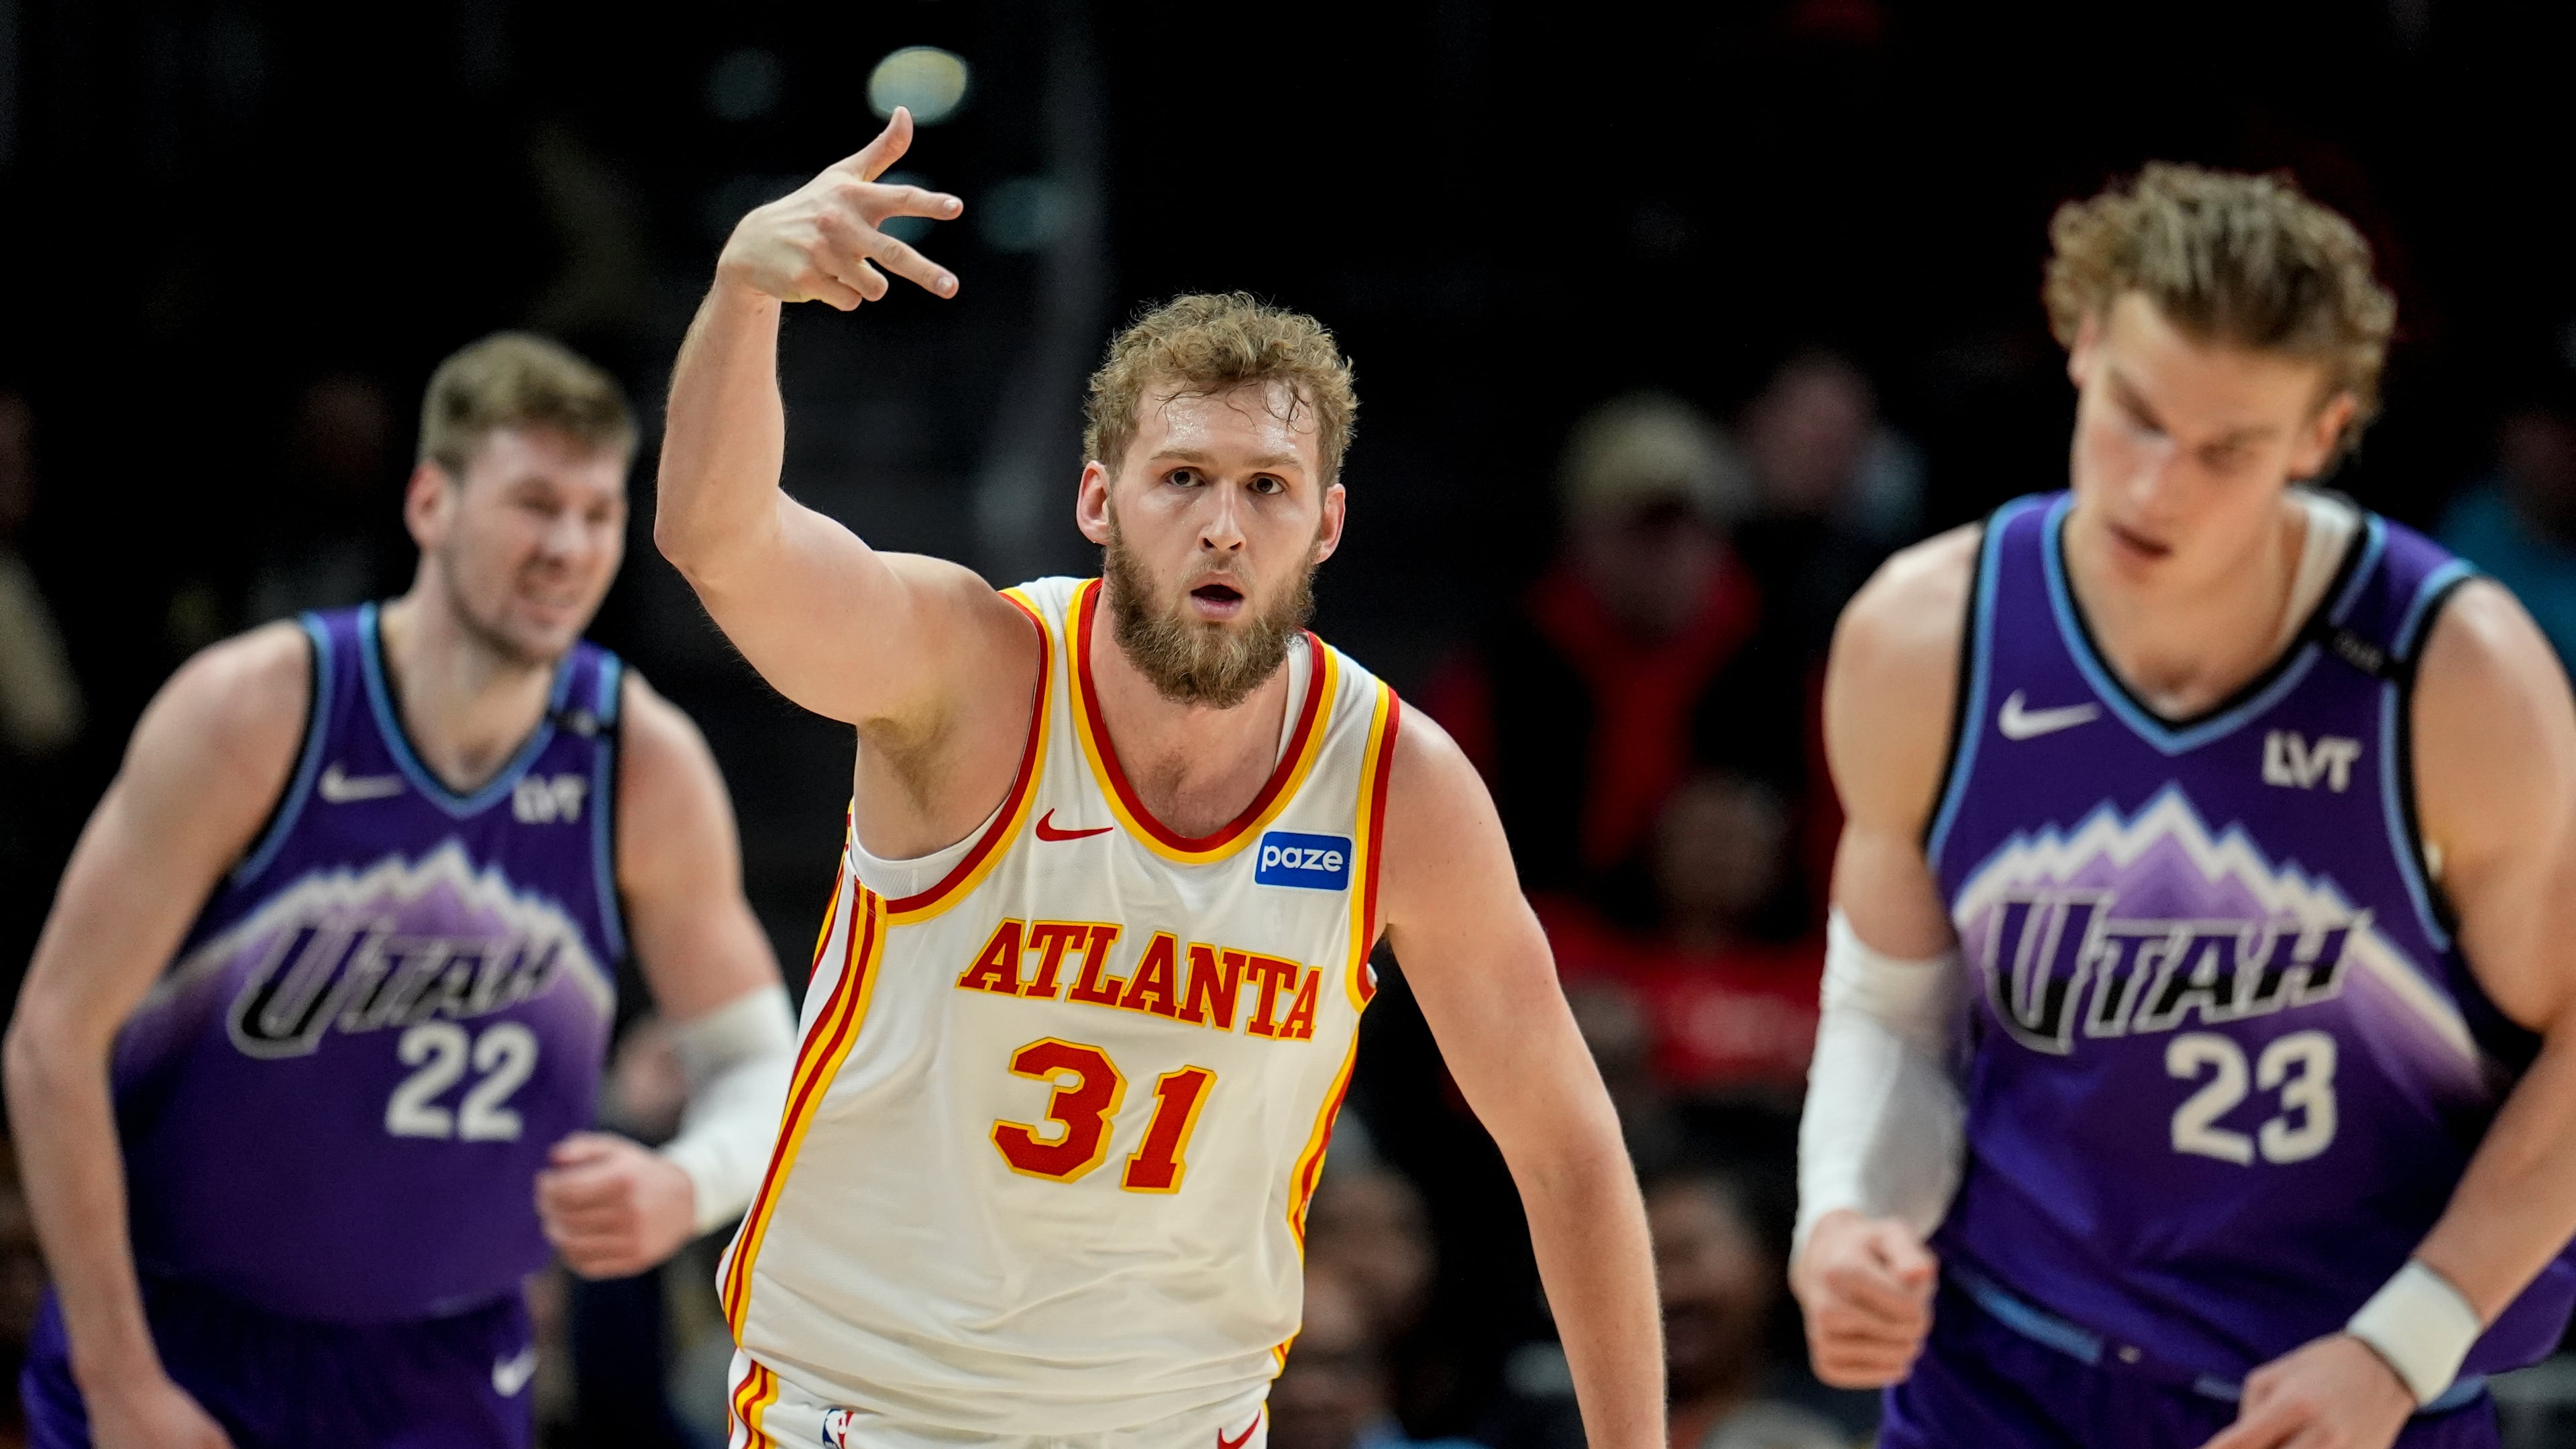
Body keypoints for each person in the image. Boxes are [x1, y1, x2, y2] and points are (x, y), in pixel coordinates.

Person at [654, 109, 1662, 1449]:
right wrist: (742, 293)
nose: (1223, 524)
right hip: (877, 1405)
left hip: (1184, 1424)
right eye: (1181, 477)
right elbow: (717, 540)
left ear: (1328, 523)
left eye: (1268, 486)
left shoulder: (1395, 783)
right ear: (1097, 500)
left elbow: (1568, 1146)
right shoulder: (970, 668)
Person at [1792, 160, 2576, 1449]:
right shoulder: (1928, 636)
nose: (2158, 484)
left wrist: (2403, 1346)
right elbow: (1892, 1005)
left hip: (2336, 1392)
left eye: (2227, 451)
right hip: (2003, 1370)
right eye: (2136, 416)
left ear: (2321, 438)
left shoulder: (2455, 677)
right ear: (2084, 346)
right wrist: (1846, 1214)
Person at [5, 333, 798, 1449]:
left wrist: (690, 1183)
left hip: (447, 1359)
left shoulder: (640, 762)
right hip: (180, 1334)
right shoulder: (258, 711)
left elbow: (765, 1063)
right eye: (534, 503)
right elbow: (51, 1038)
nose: (567, 547)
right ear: (430, 503)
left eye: (597, 513)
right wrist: (120, 1376)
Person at [1647, 1163, 1847, 1449]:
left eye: (1686, 1255)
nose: (1672, 1290)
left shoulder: (1866, 1411)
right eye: (1646, 1267)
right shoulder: (1574, 1425)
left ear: (1769, 1262)